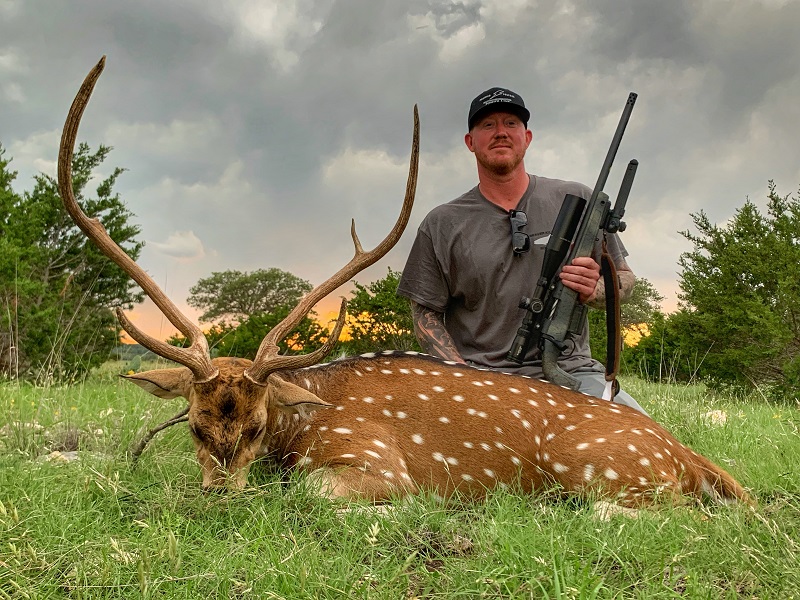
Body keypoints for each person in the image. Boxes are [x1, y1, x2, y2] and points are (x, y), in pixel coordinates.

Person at [397, 87, 647, 415]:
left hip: (572, 371)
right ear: (470, 142)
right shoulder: (441, 223)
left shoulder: (579, 200)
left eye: (511, 123)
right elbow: (424, 314)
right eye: (487, 125)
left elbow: (625, 282)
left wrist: (595, 289)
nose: (501, 132)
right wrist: (461, 377)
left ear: (527, 137)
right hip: (484, 379)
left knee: (641, 437)